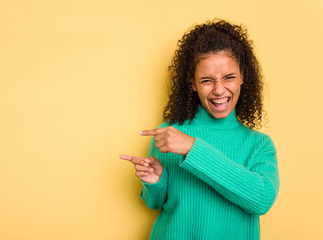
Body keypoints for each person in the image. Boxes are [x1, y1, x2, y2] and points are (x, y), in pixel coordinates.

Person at [120, 19, 280, 240]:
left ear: (242, 76)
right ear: (193, 83)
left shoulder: (259, 145)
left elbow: (261, 200)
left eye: (229, 77)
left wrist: (192, 148)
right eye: (206, 80)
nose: (218, 89)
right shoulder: (169, 133)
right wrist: (155, 182)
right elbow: (154, 203)